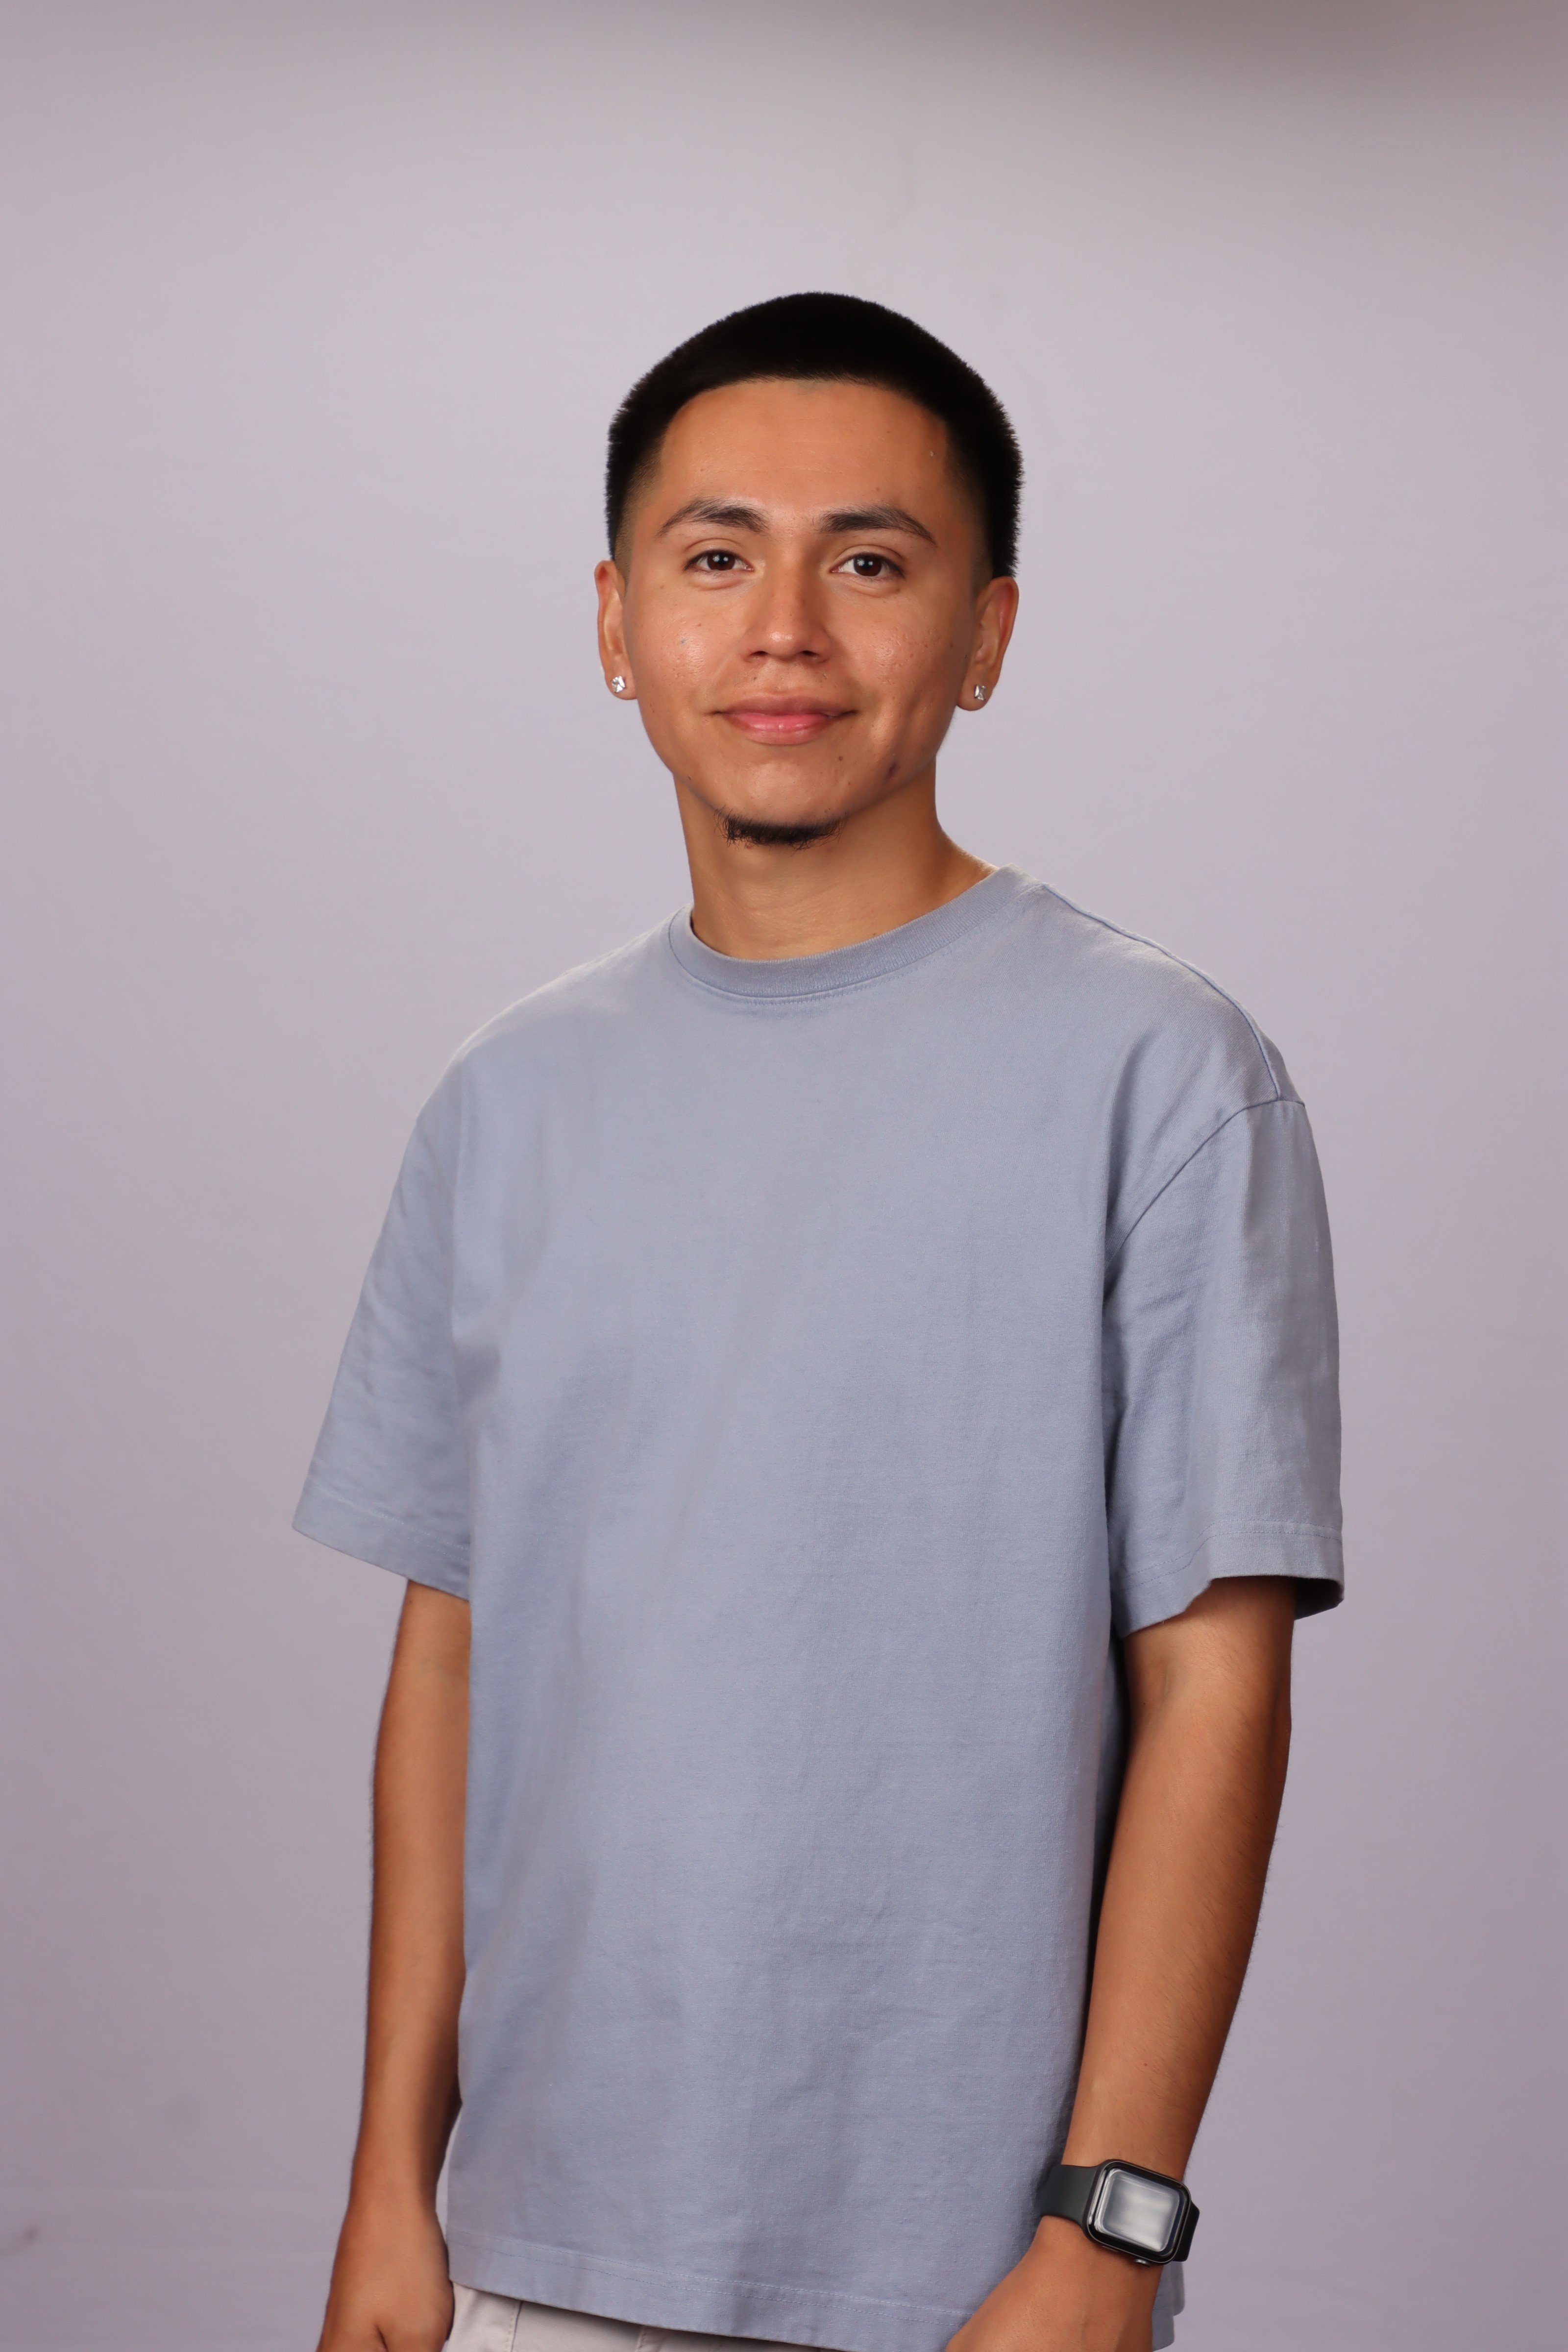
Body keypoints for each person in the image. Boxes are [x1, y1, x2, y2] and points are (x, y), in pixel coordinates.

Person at [295, 293, 1342, 2352]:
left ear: (986, 633)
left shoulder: (1160, 1077)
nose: (783, 630)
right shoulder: (507, 1100)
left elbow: (1212, 1680)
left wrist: (1107, 2235)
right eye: (716, 558)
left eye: (868, 562)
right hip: (532, 2249)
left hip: (967, 2276)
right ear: (617, 623)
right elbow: (455, 1656)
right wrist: (389, 2196)